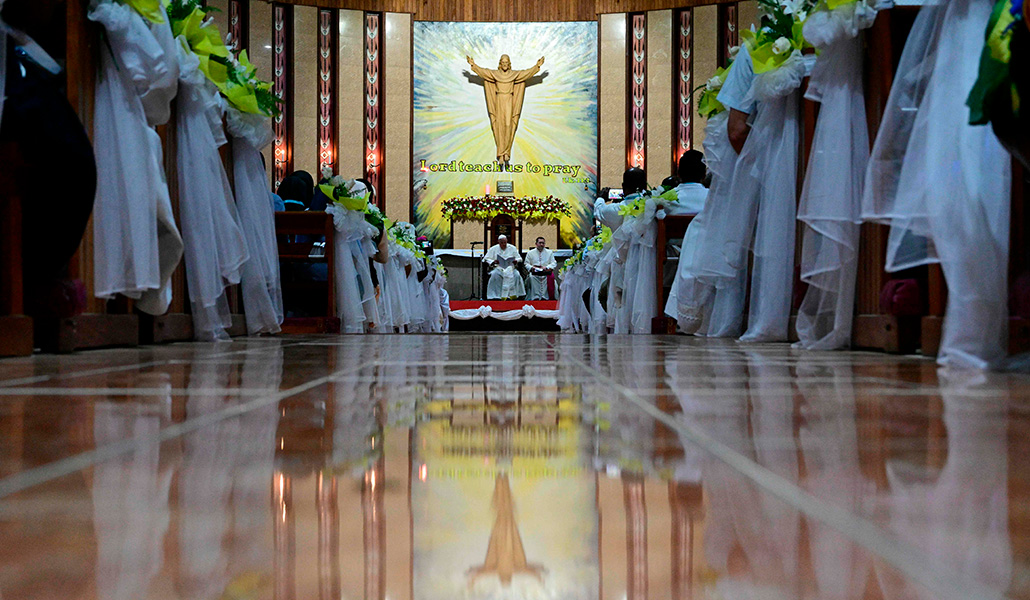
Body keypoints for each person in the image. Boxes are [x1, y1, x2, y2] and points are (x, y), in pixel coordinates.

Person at [482, 235, 525, 299]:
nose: (504, 244)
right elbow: (486, 259)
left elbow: (520, 258)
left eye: (505, 242)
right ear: (498, 242)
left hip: (511, 268)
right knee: (494, 275)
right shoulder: (493, 248)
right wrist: (493, 261)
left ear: (507, 241)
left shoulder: (512, 248)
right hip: (498, 268)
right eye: (502, 243)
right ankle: (497, 295)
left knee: (517, 275)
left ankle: (514, 295)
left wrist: (516, 260)